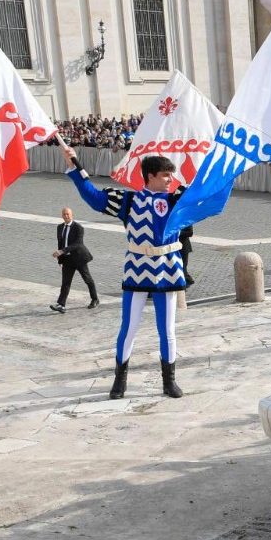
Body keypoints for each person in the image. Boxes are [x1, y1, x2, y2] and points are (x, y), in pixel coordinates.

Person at [64, 148, 187, 400]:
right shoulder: (129, 200)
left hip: (167, 269)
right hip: (137, 269)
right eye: (165, 175)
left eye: (170, 176)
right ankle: (119, 380)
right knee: (128, 328)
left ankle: (169, 381)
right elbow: (95, 197)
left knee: (167, 329)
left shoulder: (177, 199)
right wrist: (76, 167)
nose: (169, 180)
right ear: (150, 176)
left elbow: (206, 197)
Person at [50, 207, 98, 313]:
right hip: (67, 259)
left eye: (68, 214)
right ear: (62, 216)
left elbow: (78, 244)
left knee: (87, 279)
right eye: (64, 214)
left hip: (79, 258)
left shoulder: (78, 228)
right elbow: (60, 243)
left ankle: (95, 299)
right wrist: (60, 259)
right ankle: (61, 305)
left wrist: (62, 251)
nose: (66, 216)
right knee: (65, 283)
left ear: (72, 215)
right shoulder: (59, 227)